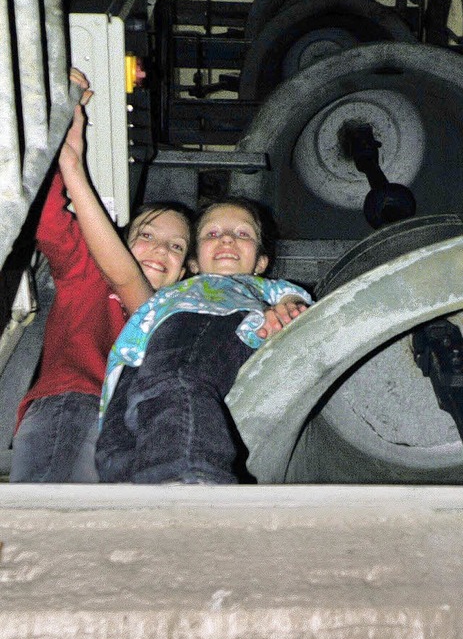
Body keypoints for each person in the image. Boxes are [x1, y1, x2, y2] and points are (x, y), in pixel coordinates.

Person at [10, 71, 193, 483]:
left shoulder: (182, 312)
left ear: (185, 270)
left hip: (139, 430)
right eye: (146, 236)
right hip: (75, 404)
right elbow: (45, 217)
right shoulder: (88, 269)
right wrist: (52, 111)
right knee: (49, 530)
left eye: (176, 246)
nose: (162, 249)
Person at [95, 197, 313, 485]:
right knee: (116, 443)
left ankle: (189, 477)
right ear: (194, 262)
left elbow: (291, 296)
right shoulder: (173, 290)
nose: (226, 238)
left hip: (211, 320)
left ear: (260, 263)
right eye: (212, 234)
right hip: (138, 357)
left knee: (177, 381)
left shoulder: (251, 286)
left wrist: (290, 304)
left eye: (242, 234)